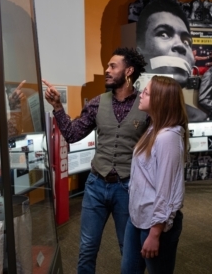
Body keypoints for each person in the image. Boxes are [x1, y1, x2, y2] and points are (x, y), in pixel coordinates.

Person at [43, 47, 148, 273]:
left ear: (129, 71)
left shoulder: (146, 106)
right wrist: (58, 107)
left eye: (113, 66)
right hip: (96, 186)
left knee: (128, 248)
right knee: (87, 248)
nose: (106, 70)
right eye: (107, 66)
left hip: (128, 188)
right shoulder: (97, 103)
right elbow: (72, 134)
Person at [121, 76, 188, 274]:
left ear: (160, 100)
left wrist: (155, 233)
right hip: (137, 219)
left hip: (155, 225)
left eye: (147, 93)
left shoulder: (168, 137)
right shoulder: (153, 129)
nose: (140, 94)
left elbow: (167, 191)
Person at [136, 0, 207, 122]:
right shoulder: (128, 117)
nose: (180, 45)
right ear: (139, 53)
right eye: (164, 34)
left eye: (186, 41)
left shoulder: (198, 117)